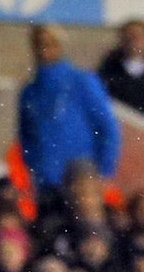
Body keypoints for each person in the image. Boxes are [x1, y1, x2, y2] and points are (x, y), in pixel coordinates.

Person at [18, 25, 120, 193]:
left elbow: (107, 127)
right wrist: (34, 166)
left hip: (81, 181)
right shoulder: (30, 91)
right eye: (39, 44)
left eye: (51, 43)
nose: (44, 50)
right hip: (45, 183)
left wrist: (104, 171)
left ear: (60, 45)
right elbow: (25, 136)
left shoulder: (82, 81)